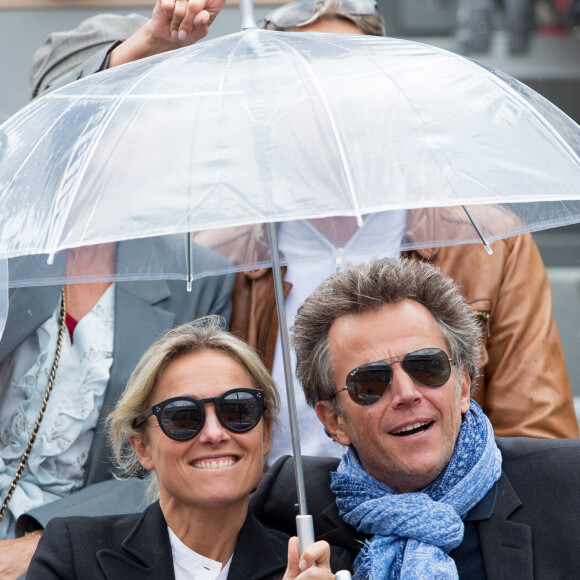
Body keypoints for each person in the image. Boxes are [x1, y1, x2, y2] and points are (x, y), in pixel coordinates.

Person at [26, 0, 578, 464]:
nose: (332, 99)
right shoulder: (224, 257)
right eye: (307, 78)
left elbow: (538, 438)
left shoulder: (487, 242)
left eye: (351, 75)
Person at [0, 2, 233, 577]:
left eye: (152, 109)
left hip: (79, 553)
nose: (137, 128)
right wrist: (136, 50)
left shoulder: (195, 276)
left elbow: (177, 458)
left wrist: (42, 547)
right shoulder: (9, 245)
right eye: (116, 103)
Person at [251, 257, 580, 578]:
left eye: (426, 366)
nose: (406, 393)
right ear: (333, 421)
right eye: (370, 382)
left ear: (463, 386)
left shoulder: (567, 486)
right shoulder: (290, 503)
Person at [27, 317, 337, 579]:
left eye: (237, 412)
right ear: (142, 447)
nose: (214, 433)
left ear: (265, 434)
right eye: (182, 417)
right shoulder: (73, 555)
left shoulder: (314, 567)